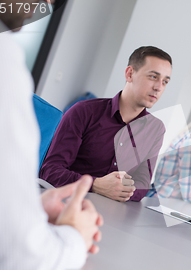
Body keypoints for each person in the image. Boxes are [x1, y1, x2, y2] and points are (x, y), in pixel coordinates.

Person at [0, 0, 102, 270]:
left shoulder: (153, 129)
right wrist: (74, 236)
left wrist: (24, 209)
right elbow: (17, 260)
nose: (46, 6)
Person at [40, 46, 171, 202]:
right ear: (129, 74)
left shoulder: (155, 129)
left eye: (165, 81)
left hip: (114, 214)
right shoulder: (84, 111)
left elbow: (142, 184)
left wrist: (121, 189)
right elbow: (50, 171)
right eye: (153, 77)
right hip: (69, 203)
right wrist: (96, 184)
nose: (158, 87)